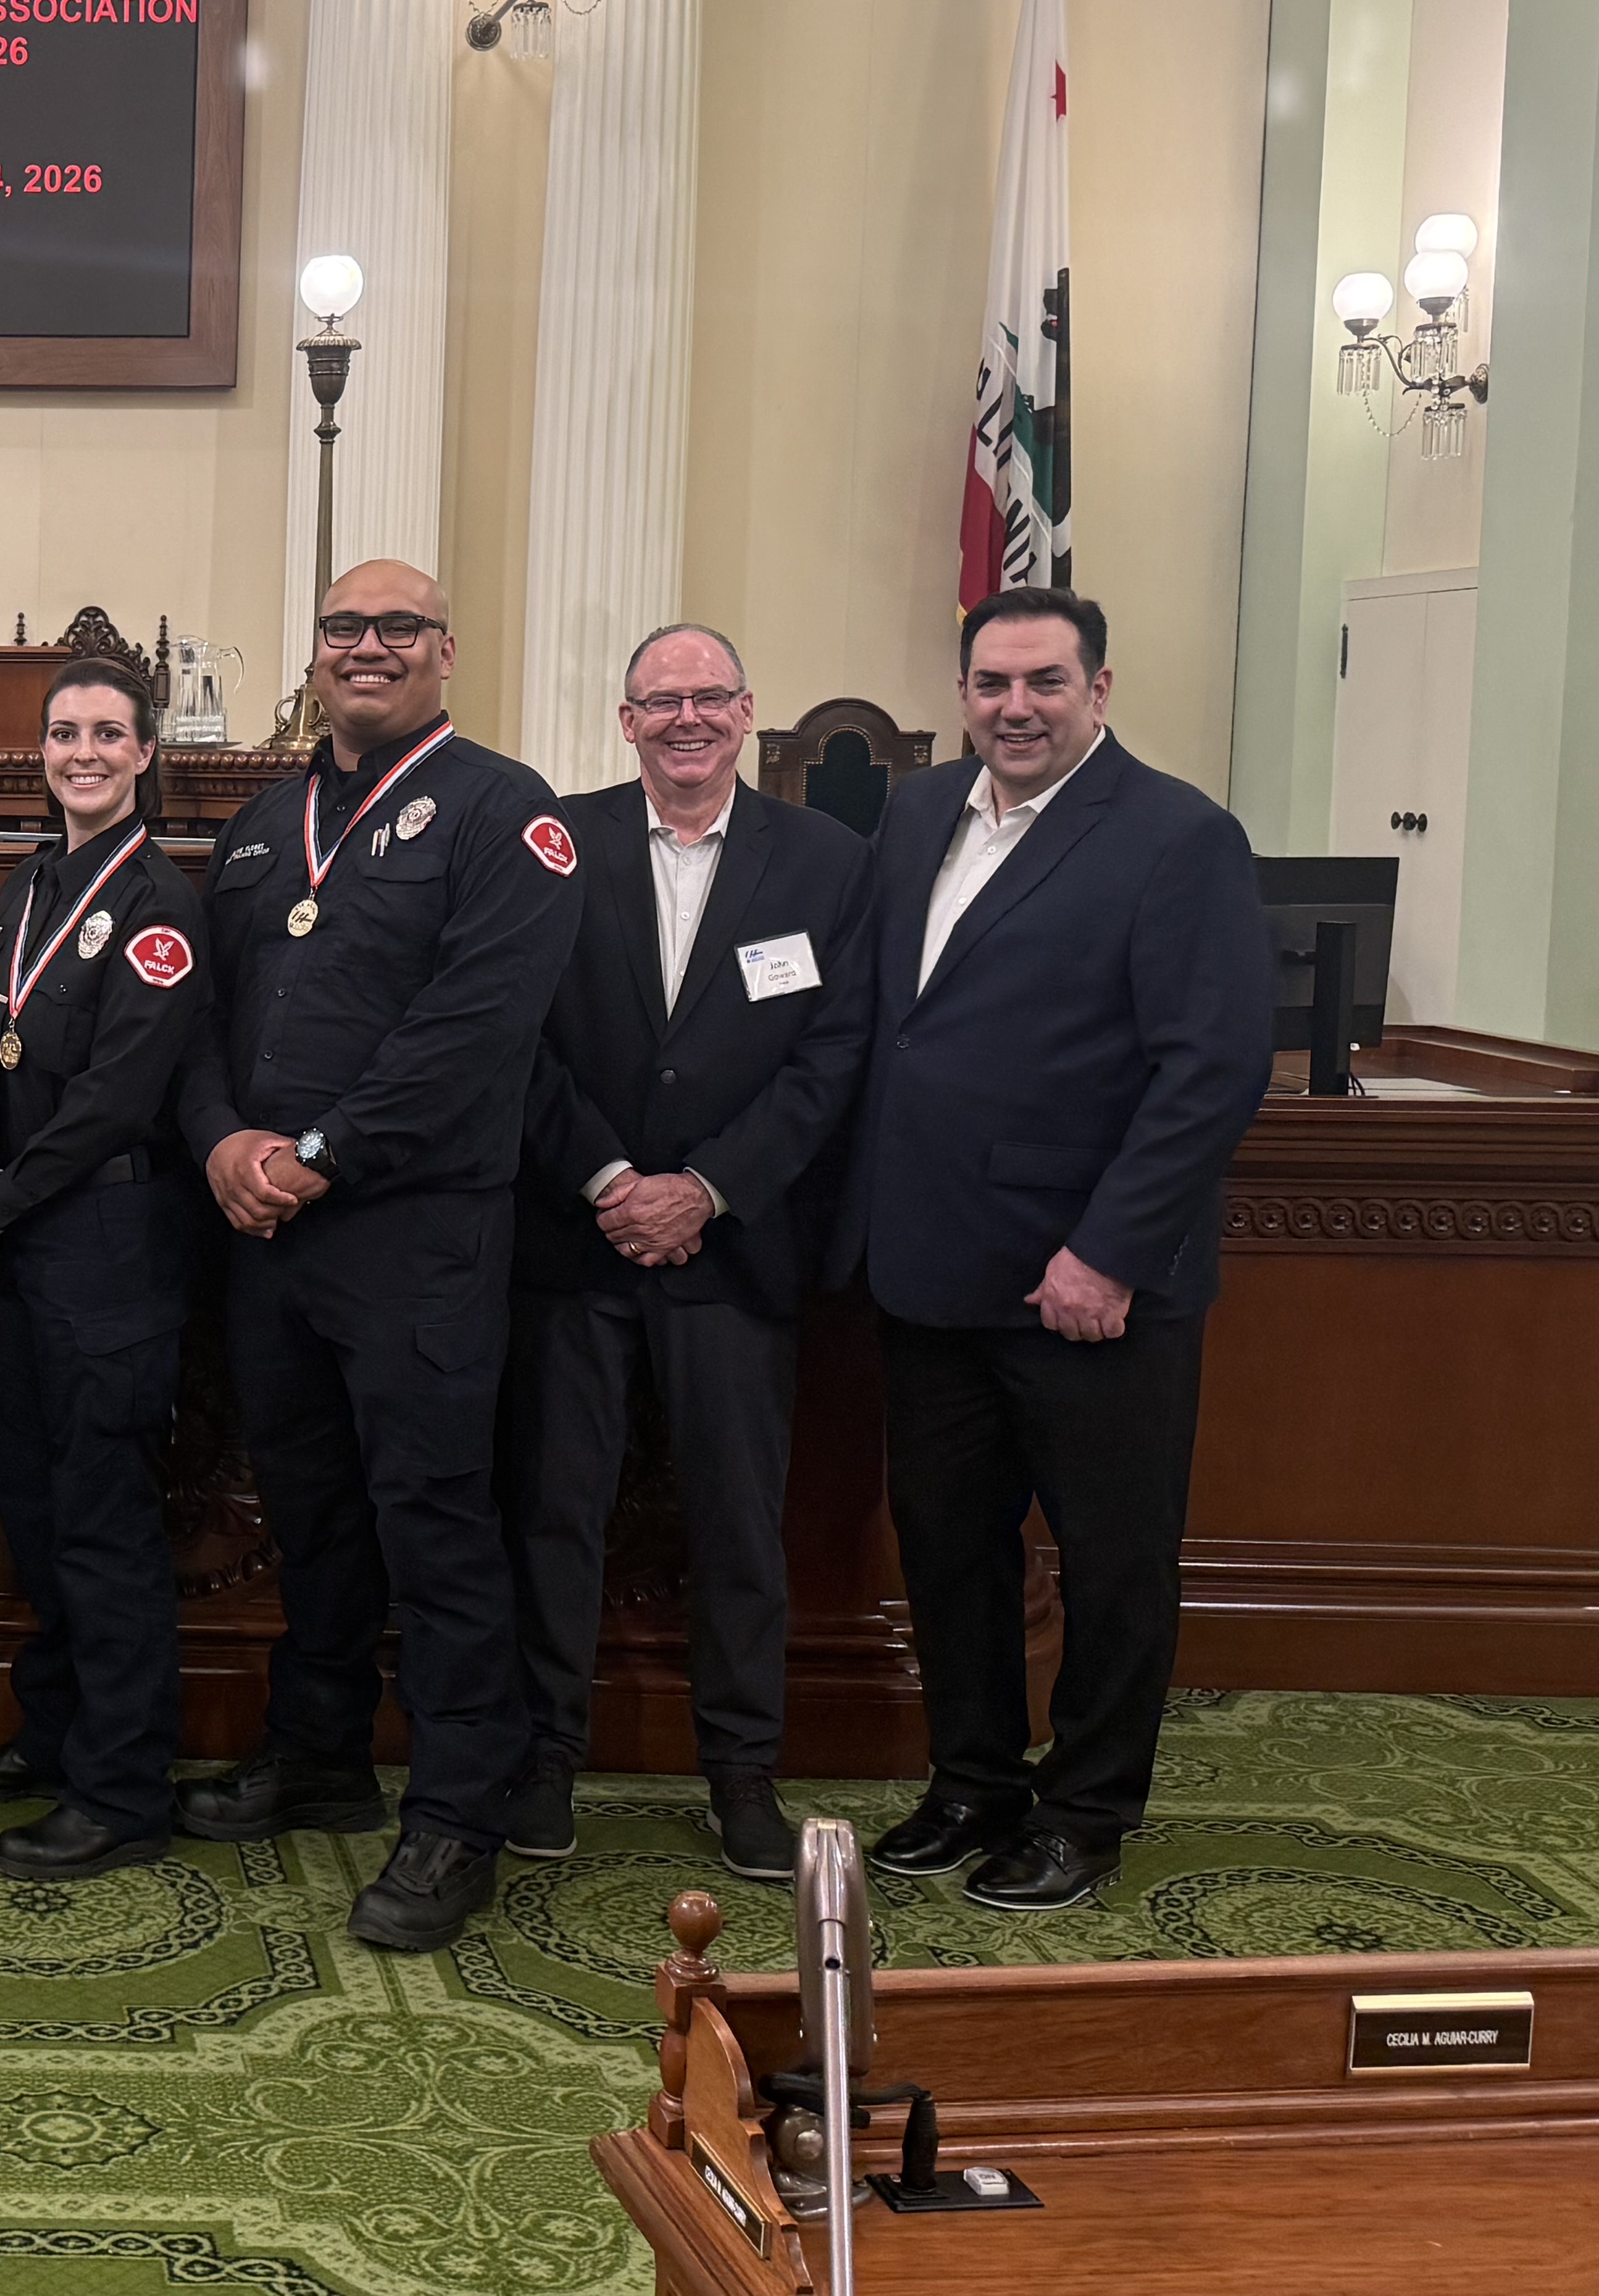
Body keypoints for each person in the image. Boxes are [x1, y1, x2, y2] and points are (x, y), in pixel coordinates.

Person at [838, 587, 1271, 1913]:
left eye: (1043, 683)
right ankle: (973, 1780)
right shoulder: (914, 813)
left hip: (1088, 1285)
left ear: (1100, 689)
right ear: (961, 693)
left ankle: (1088, 1811)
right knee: (948, 1543)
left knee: (1111, 1559)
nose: (1014, 707)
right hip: (928, 1266)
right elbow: (895, 1025)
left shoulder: (1178, 836)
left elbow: (1209, 1067)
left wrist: (1111, 1253)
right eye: (990, 684)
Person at [177, 559, 583, 1952]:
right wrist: (226, 1139)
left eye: (397, 627)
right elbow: (205, 1023)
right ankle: (322, 1752)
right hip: (270, 1238)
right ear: (318, 654)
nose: (368, 647)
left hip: (416, 1236)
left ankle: (458, 1811)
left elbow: (476, 1032)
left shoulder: (502, 812)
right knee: (311, 1511)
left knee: (435, 1524)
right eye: (345, 628)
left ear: (445, 653)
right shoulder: (255, 825)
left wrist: (321, 1154)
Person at [497, 624, 872, 1882]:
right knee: (556, 1516)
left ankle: (744, 1776)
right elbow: (521, 1039)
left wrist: (707, 1190)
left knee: (736, 1527)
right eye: (663, 701)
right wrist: (611, 1179)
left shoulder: (826, 860)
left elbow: (833, 1062)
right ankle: (545, 1760)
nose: (688, 719)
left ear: (748, 712)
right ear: (627, 722)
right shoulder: (559, 842)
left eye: (710, 697)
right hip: (579, 1239)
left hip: (733, 1250)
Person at [0, 661, 214, 1880]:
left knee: (103, 1531)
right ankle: (56, 1737)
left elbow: (115, 1099)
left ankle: (122, 1787)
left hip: (102, 1246)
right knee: (40, 1524)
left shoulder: (159, 903)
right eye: (64, 732)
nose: (83, 751)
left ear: (145, 753)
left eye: (107, 733)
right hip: (9, 1247)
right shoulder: (26, 885)